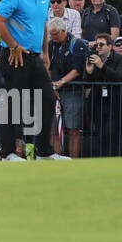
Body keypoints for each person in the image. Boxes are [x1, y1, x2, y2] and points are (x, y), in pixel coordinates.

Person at [0, 0, 57, 160]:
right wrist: (14, 45)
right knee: (14, 104)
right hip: (14, 56)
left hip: (34, 56)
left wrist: (45, 52)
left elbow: (43, 25)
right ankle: (8, 153)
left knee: (48, 99)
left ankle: (44, 152)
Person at [47, 17, 88, 160]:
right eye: (50, 34)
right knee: (53, 128)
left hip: (73, 91)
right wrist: (51, 85)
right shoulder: (51, 44)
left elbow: (77, 70)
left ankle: (73, 162)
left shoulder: (77, 44)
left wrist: (61, 82)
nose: (52, 37)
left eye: (55, 34)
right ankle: (57, 159)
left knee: (73, 129)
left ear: (64, 31)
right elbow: (49, 67)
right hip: (54, 90)